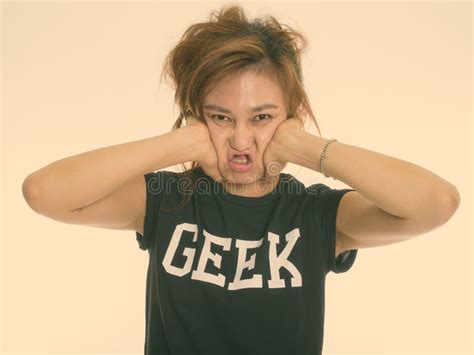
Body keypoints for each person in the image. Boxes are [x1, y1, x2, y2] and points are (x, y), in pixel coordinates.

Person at [21, 4, 460, 355]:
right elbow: (45, 193)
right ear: (197, 117)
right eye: (220, 117)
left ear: (291, 119)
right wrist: (182, 143)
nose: (241, 141)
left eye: (263, 117)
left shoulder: (317, 214)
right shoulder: (165, 198)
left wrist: (307, 148)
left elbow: (436, 203)